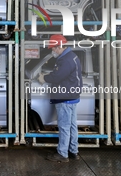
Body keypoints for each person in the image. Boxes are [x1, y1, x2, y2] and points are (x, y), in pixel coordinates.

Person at [38, 34, 82, 163]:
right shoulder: (72, 56)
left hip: (65, 97)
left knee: (64, 126)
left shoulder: (66, 60)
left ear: (59, 47)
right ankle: (73, 151)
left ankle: (63, 154)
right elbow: (62, 74)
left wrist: (44, 78)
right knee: (72, 126)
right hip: (72, 96)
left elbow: (58, 76)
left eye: (53, 49)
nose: (52, 51)